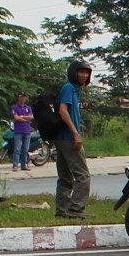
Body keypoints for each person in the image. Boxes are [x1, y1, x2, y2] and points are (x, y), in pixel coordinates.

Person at [54, 59, 93, 219]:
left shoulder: (73, 89)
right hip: (68, 138)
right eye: (81, 72)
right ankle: (76, 209)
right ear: (73, 72)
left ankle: (62, 210)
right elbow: (63, 111)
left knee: (65, 176)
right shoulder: (69, 88)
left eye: (86, 72)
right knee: (83, 176)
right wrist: (75, 133)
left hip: (62, 137)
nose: (84, 75)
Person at [10, 92, 34, 172]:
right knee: (17, 149)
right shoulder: (15, 107)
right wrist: (26, 119)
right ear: (19, 98)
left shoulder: (28, 108)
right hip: (18, 131)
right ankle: (15, 165)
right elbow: (16, 118)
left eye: (24, 97)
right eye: (21, 97)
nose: (23, 98)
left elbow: (31, 117)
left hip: (27, 131)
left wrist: (22, 117)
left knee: (25, 149)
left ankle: (24, 165)